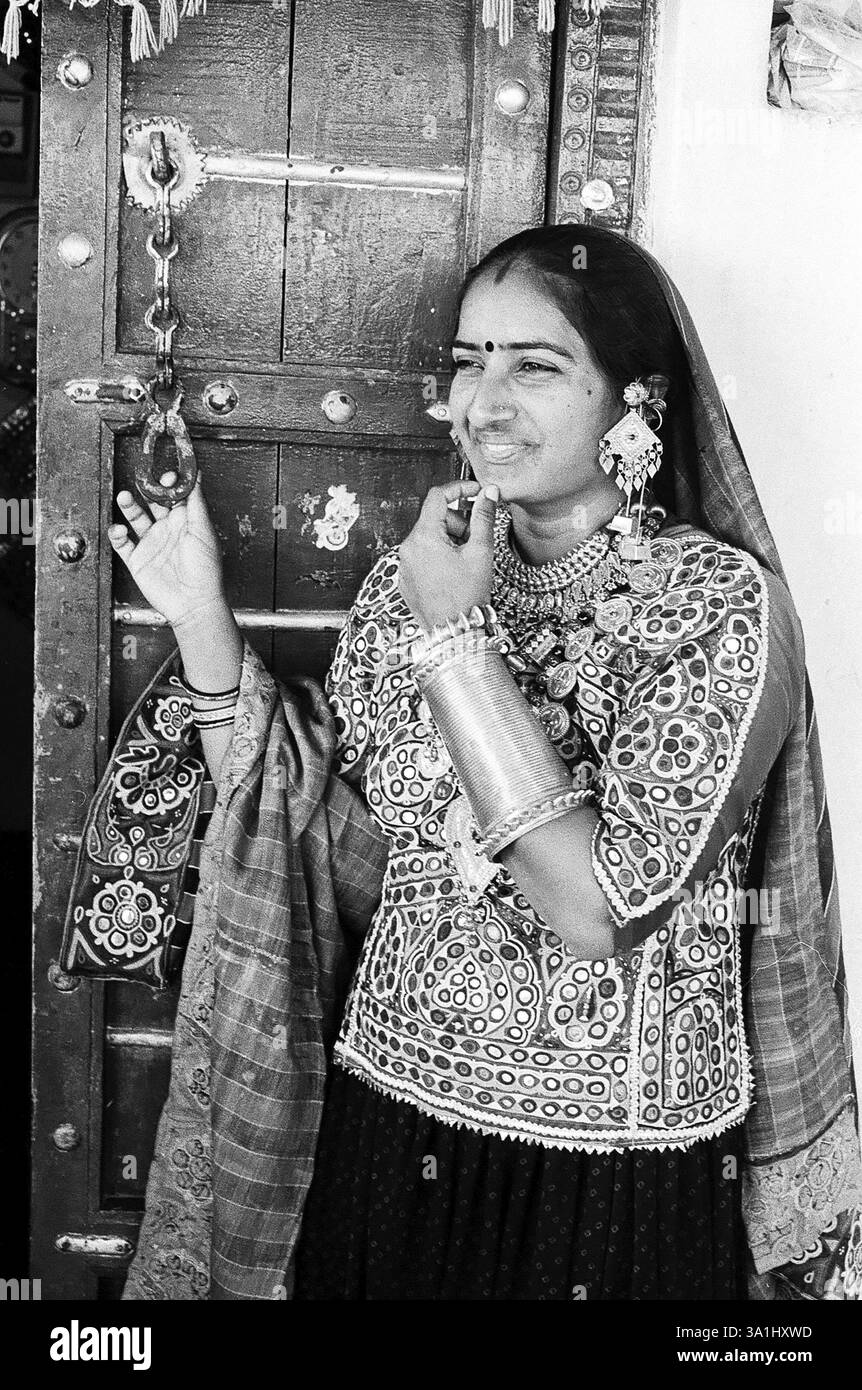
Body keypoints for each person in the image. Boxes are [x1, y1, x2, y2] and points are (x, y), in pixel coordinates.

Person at [94, 224, 860, 1300]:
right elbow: (306, 830)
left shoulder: (717, 606)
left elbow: (602, 909)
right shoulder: (408, 580)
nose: (481, 404)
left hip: (608, 1167)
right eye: (467, 361)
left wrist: (454, 640)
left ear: (636, 400)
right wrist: (198, 615)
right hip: (385, 1124)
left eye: (535, 367)